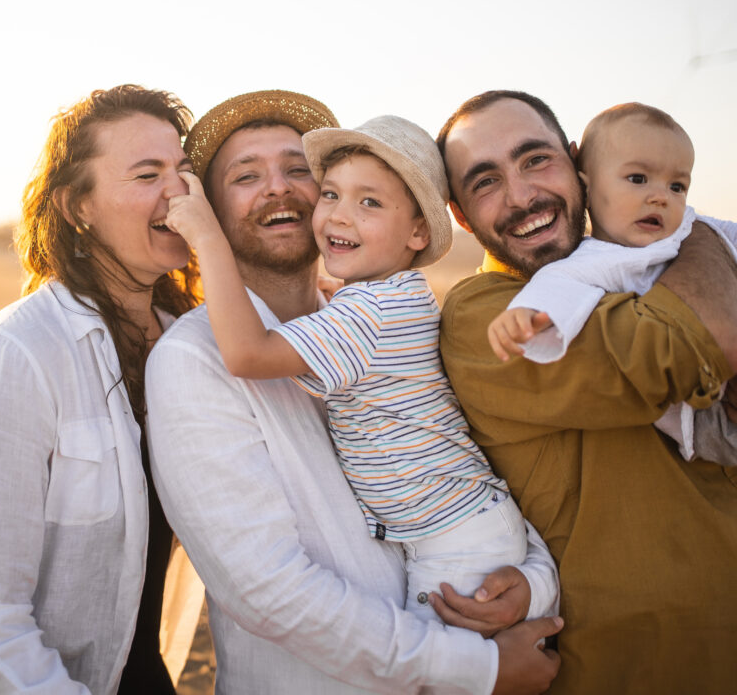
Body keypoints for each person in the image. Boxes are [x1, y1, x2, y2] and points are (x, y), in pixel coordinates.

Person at [145, 90, 563, 695]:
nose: (279, 188)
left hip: (455, 581)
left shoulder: (366, 318)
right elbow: (270, 592)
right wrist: (483, 669)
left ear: (415, 228)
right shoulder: (192, 358)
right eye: (245, 175)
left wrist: (535, 582)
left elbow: (479, 473)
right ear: (208, 209)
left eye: (298, 170)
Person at [436, 89, 737, 695]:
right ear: (462, 216)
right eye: (486, 182)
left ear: (577, 163)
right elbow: (698, 341)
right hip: (637, 661)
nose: (523, 197)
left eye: (535, 160)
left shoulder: (630, 266)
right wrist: (693, 228)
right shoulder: (492, 317)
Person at [0, 85, 202, 694]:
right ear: (79, 206)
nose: (177, 191)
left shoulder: (193, 345)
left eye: (183, 171)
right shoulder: (25, 347)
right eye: (147, 173)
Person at [486, 102, 737, 465]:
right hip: (705, 418)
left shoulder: (686, 228)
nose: (660, 196)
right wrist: (524, 315)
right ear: (585, 186)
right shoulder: (594, 261)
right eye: (638, 179)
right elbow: (557, 287)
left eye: (677, 186)